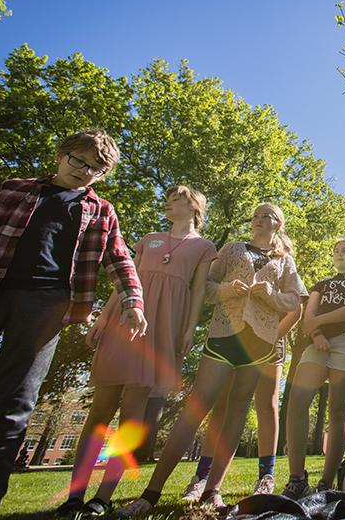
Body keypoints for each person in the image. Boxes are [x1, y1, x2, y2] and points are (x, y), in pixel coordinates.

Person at [0, 128, 146, 520]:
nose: (84, 171)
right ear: (62, 154)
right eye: (79, 161)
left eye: (95, 168)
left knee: (14, 405)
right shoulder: (11, 190)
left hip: (45, 307)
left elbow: (121, 259)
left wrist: (133, 302)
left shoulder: (101, 210)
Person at [113, 203, 302, 515]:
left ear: (278, 224)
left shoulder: (285, 261)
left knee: (237, 411)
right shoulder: (232, 249)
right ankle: (150, 494)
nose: (257, 219)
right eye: (254, 215)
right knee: (198, 406)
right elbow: (207, 287)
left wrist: (270, 294)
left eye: (265, 215)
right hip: (224, 336)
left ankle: (212, 491)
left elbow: (294, 301)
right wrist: (229, 288)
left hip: (259, 344)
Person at [58, 186, 217, 517]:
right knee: (100, 408)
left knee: (133, 414)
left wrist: (188, 330)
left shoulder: (204, 247)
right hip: (127, 318)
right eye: (168, 200)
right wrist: (102, 318)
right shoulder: (150, 239)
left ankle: (102, 496)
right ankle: (75, 494)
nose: (168, 204)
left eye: (175, 200)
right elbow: (124, 278)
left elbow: (199, 289)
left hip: (163, 326)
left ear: (193, 207)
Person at [182, 274, 308, 498]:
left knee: (266, 405)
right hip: (238, 339)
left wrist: (270, 337)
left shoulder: (286, 267)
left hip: (270, 343)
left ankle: (265, 477)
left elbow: (296, 310)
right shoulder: (245, 259)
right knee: (222, 405)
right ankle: (202, 476)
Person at [281, 237, 345, 499]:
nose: (339, 253)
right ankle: (297, 479)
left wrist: (317, 320)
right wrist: (317, 332)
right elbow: (308, 317)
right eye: (336, 251)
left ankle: (326, 482)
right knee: (297, 402)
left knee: (338, 410)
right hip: (317, 343)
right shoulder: (321, 284)